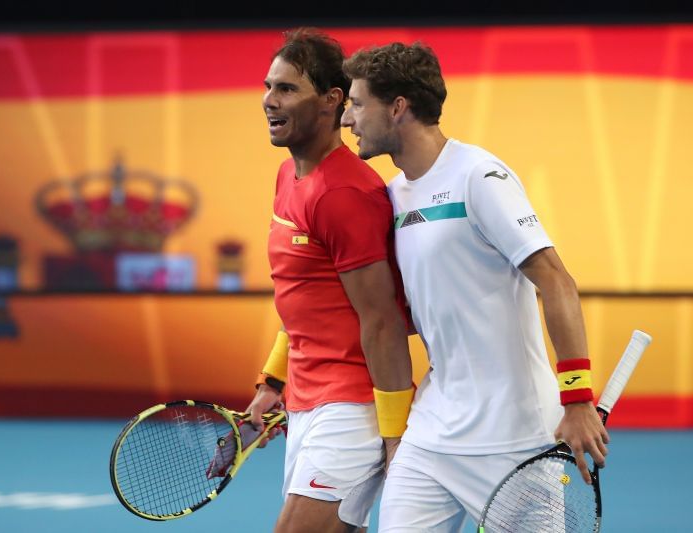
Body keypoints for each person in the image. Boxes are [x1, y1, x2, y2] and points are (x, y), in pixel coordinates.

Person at [341, 42, 610, 532]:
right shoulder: (393, 195)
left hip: (516, 439)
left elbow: (558, 283)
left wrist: (577, 397)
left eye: (358, 104)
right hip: (432, 432)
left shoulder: (479, 177)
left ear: (397, 108)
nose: (348, 119)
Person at [246, 29, 415, 533]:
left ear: (332, 100)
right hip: (305, 400)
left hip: (352, 407)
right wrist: (273, 381)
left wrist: (393, 436)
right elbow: (308, 302)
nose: (268, 101)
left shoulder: (345, 193)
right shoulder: (287, 177)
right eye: (268, 86)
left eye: (287, 89)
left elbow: (382, 321)